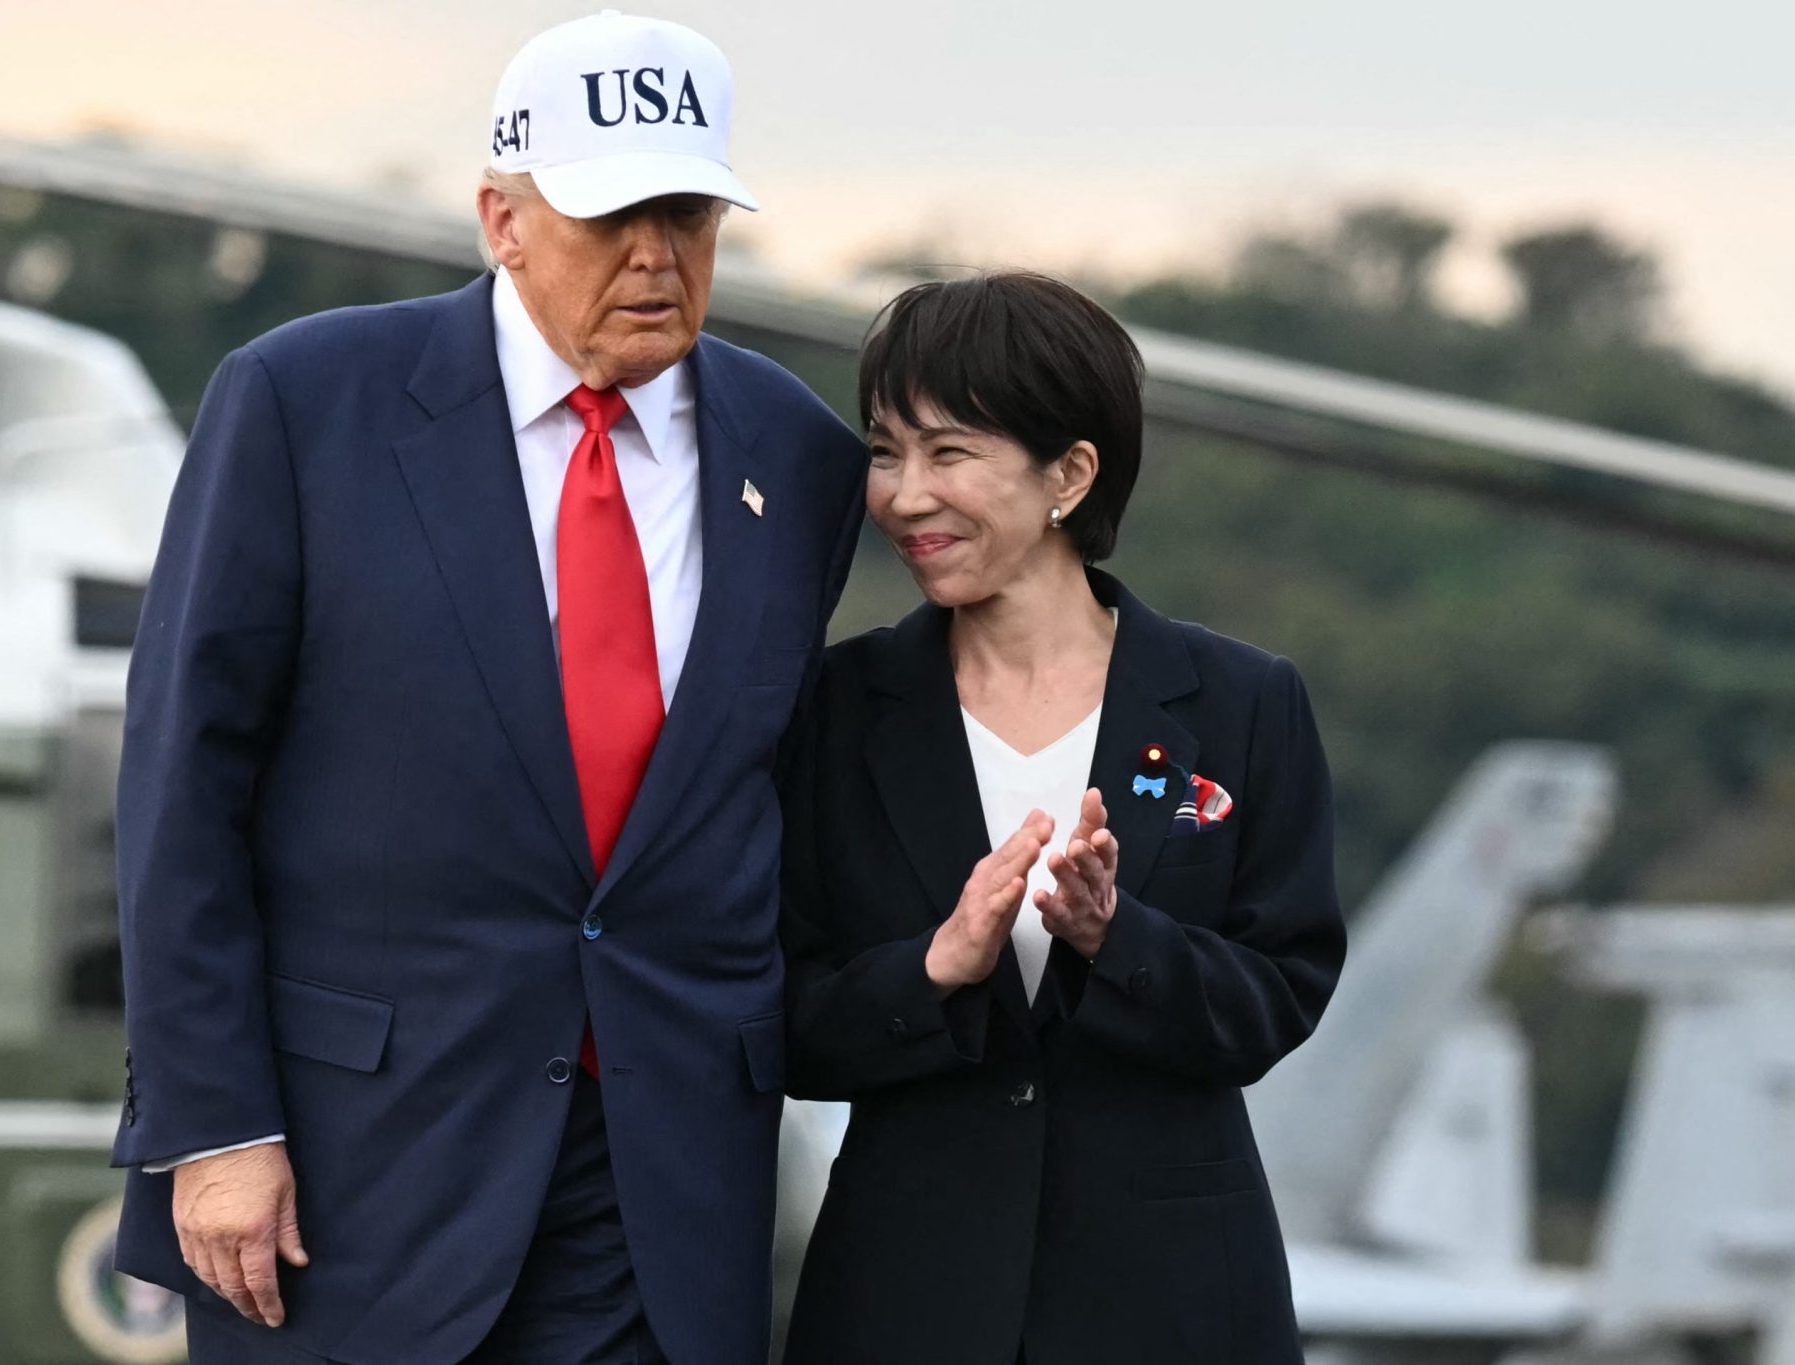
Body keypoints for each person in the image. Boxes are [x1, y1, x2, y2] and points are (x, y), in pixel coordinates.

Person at [109, 12, 867, 1363]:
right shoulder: (302, 404)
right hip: (353, 1177)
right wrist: (213, 1125)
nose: (655, 254)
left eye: (688, 215)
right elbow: (182, 783)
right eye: (610, 215)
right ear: (501, 221)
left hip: (663, 1182)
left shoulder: (796, 455)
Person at [778, 272, 1346, 1365]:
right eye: (886, 452)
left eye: (947, 453)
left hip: (1172, 1308)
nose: (903, 494)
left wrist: (1116, 937)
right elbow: (778, 1019)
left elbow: (1280, 996)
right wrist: (931, 969)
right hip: (904, 1299)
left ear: (1070, 475)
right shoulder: (834, 710)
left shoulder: (1239, 704)